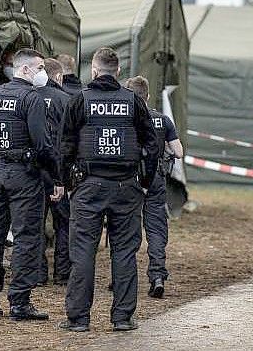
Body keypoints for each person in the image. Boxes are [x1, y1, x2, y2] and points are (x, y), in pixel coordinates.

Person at [58, 47, 160, 332]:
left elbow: (64, 146)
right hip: (126, 187)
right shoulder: (133, 101)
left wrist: (67, 183)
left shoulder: (80, 100)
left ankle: (78, 319)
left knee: (82, 253)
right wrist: (146, 181)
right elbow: (152, 145)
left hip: (88, 186)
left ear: (93, 70)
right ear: (118, 72)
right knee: (125, 253)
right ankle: (123, 317)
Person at [0, 48, 64, 321]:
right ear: (24, 69)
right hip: (25, 174)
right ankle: (20, 302)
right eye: (39, 68)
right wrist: (57, 179)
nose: (43, 74)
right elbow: (43, 145)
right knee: (27, 237)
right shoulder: (31, 98)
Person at [124, 76, 183, 299]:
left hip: (130, 178)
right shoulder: (163, 120)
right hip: (156, 178)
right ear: (147, 96)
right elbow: (179, 152)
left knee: (125, 228)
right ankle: (157, 275)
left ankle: (120, 277)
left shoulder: (125, 118)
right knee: (156, 228)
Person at [36, 58, 72, 286]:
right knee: (64, 224)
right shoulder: (66, 100)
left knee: (34, 222)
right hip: (59, 172)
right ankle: (62, 273)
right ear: (58, 77)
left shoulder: (29, 96)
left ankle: (38, 273)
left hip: (34, 171)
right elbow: (70, 141)